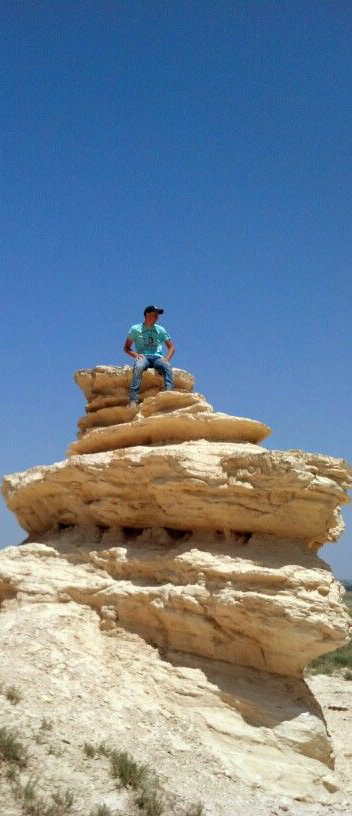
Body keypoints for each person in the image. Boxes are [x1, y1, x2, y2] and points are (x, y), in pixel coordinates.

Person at [124, 306, 175, 405]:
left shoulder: (160, 329)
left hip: (157, 357)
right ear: (147, 314)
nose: (157, 317)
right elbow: (126, 348)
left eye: (158, 315)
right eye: (155, 315)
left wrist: (167, 359)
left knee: (167, 366)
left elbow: (172, 347)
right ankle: (133, 400)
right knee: (138, 367)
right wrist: (135, 355)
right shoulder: (135, 329)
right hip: (144, 357)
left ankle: (169, 394)